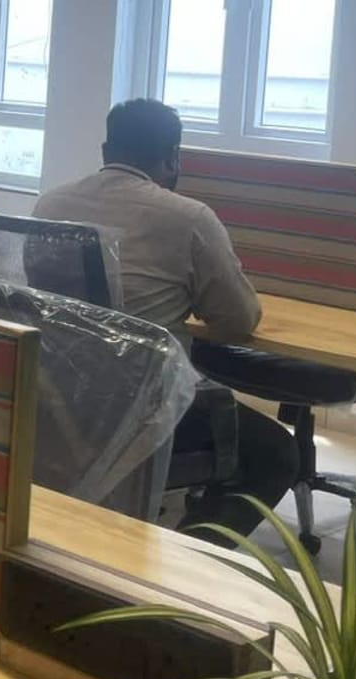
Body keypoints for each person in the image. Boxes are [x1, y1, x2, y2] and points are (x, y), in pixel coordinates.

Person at [34, 98, 297, 540]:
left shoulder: (50, 204)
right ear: (173, 157)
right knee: (275, 454)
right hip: (144, 408)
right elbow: (238, 320)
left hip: (63, 401)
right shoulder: (189, 217)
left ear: (105, 151)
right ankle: (185, 559)